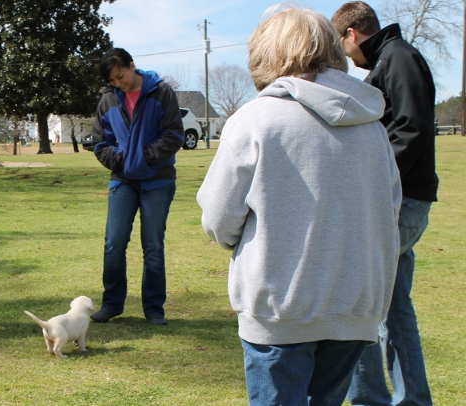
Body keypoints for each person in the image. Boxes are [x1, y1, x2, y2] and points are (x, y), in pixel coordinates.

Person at [196, 5, 401, 405]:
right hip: (354, 304)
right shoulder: (372, 126)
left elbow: (219, 218)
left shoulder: (256, 120)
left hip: (279, 306)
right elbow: (389, 209)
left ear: (265, 52)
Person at [331, 3, 439, 405]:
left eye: (343, 48)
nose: (346, 58)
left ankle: (376, 398)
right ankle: (400, 398)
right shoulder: (392, 59)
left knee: (364, 307)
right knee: (390, 311)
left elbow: (411, 126)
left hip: (399, 202)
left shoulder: (398, 58)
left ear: (351, 35)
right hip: (400, 200)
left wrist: (372, 177)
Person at [89, 48, 183, 326]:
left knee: (153, 245)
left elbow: (174, 135)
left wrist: (142, 157)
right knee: (114, 243)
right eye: (114, 81)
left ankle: (154, 309)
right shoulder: (107, 100)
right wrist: (120, 161)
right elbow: (99, 142)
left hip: (158, 179)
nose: (120, 84)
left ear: (132, 65)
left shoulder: (161, 92)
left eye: (121, 76)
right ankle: (112, 304)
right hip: (123, 180)